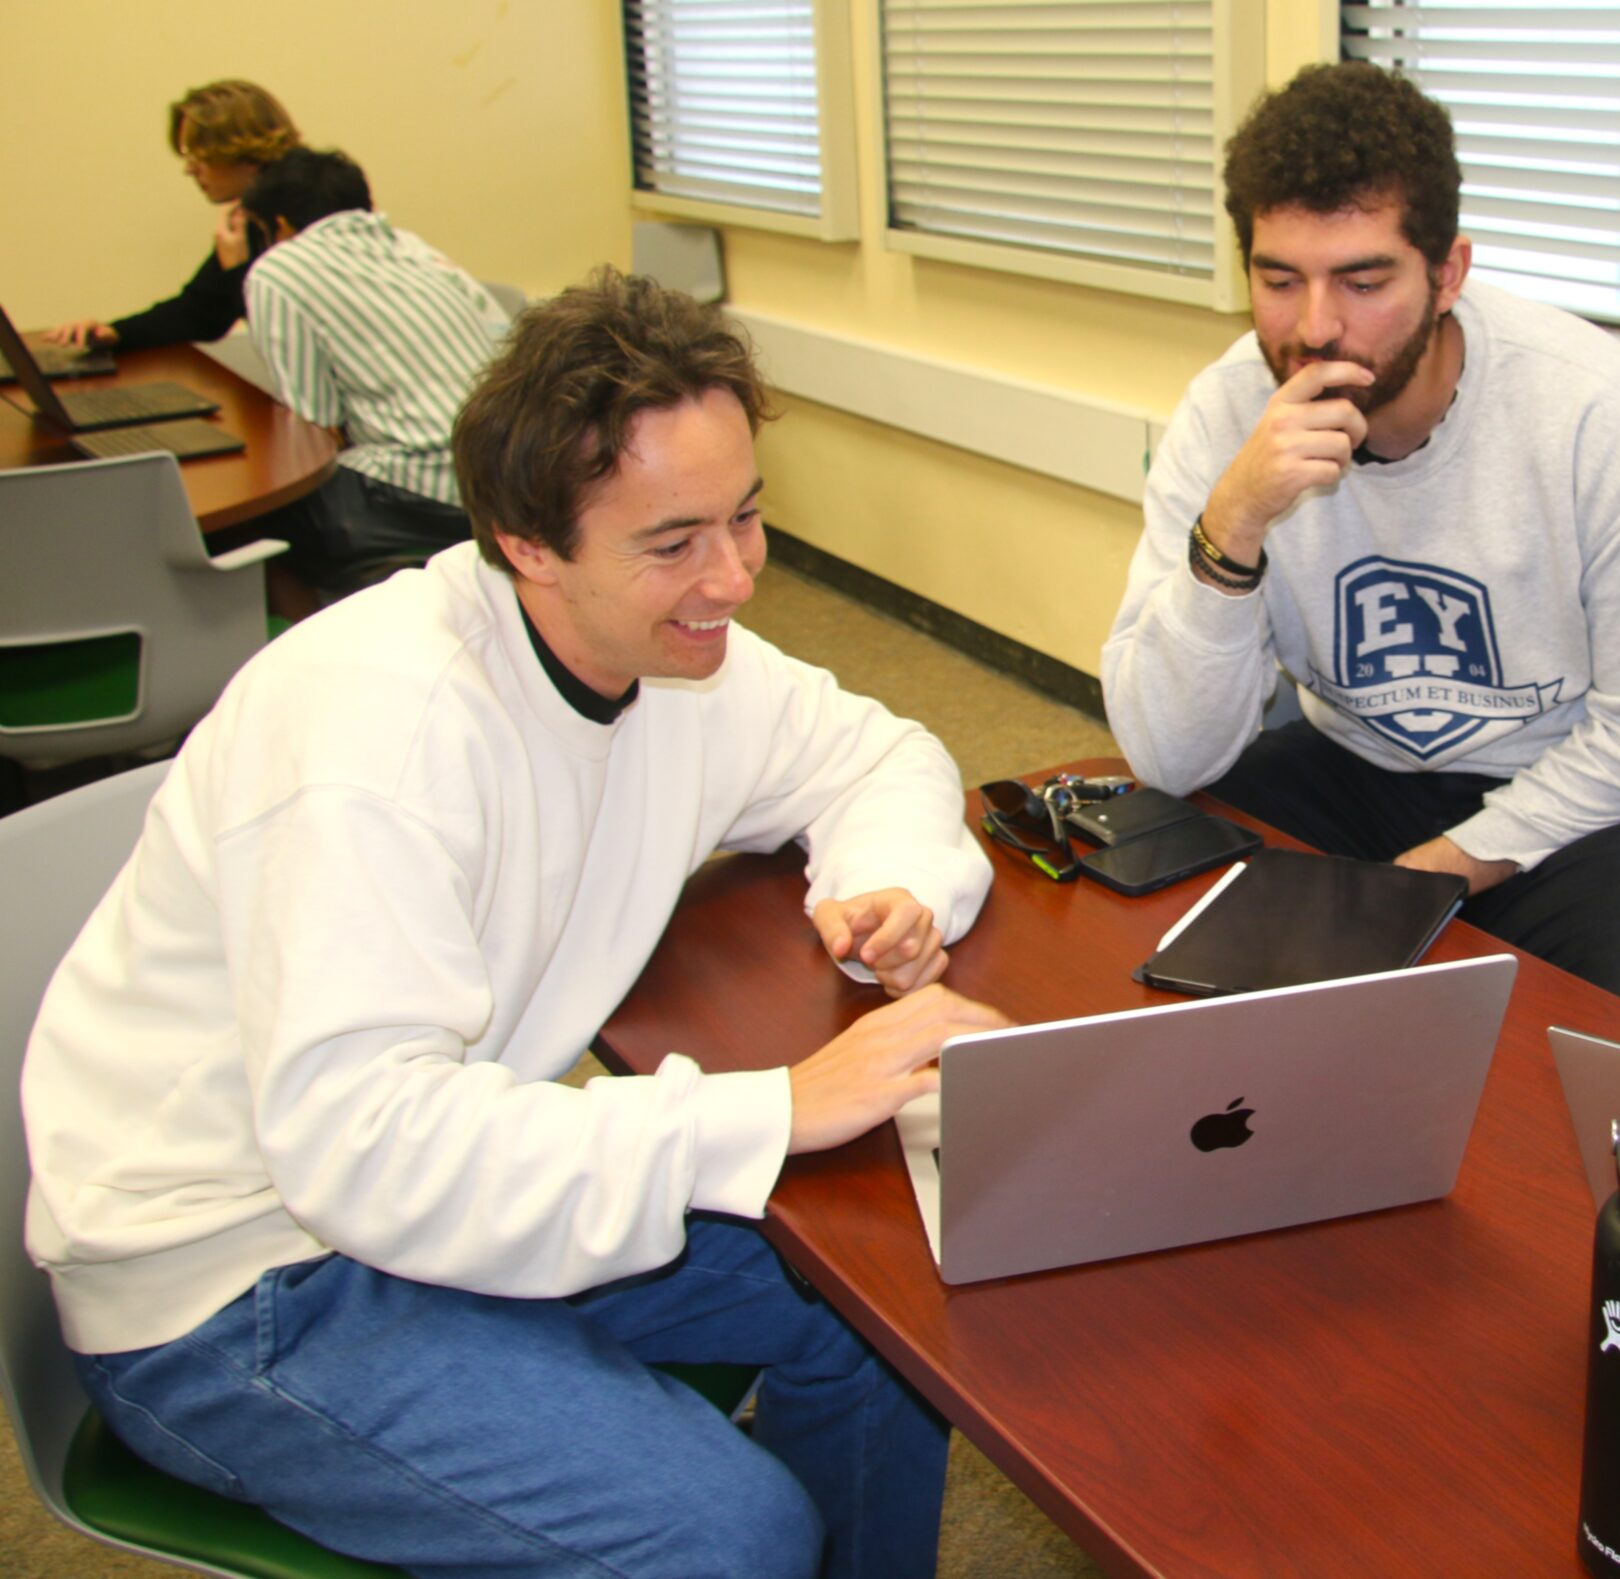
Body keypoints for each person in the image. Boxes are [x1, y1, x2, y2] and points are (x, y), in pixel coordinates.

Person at [22, 268, 1007, 1576]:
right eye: (675, 541)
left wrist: (885, 883)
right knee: (732, 1528)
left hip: (436, 1180)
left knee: (882, 1301)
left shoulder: (673, 654)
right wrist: (767, 1107)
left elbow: (882, 755)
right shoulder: (381, 730)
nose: (736, 577)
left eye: (748, 516)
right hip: (238, 1284)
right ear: (526, 541)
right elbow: (363, 1149)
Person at [1100, 61, 1620, 1047]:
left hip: (1589, 797)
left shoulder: (1593, 411)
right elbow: (1167, 753)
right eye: (1279, 280)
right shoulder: (1226, 408)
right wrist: (1230, 528)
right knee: (1140, 920)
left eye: (1363, 281)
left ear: (1447, 271)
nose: (1314, 326)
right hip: (1355, 763)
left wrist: (1420, 880)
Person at [234, 145, 510, 594]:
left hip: (425, 486)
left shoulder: (278, 269)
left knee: (266, 514)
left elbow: (314, 425)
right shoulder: (413, 247)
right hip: (512, 468)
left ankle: (316, 637)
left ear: (279, 226)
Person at [42, 80, 299, 352]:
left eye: (199, 156)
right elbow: (201, 313)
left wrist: (236, 269)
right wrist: (114, 332)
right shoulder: (253, 216)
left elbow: (289, 333)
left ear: (243, 150)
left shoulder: (311, 212)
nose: (190, 170)